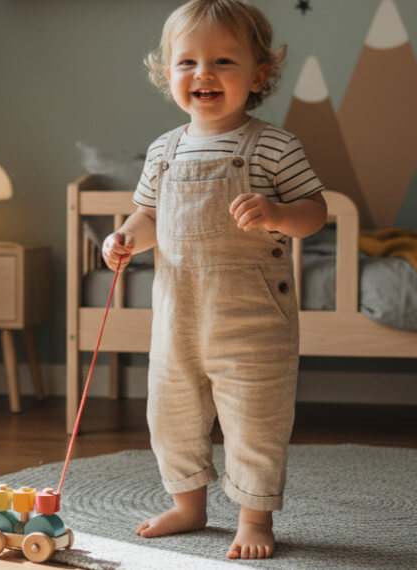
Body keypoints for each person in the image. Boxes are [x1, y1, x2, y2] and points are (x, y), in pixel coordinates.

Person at [101, 0, 328, 560]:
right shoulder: (164, 149)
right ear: (168, 74)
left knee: (255, 420)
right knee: (170, 414)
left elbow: (315, 210)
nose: (203, 74)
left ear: (259, 75)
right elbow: (150, 215)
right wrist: (123, 237)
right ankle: (187, 504)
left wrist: (276, 212)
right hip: (177, 315)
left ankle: (254, 517)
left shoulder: (274, 145)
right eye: (187, 63)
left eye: (223, 61)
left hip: (251, 319)